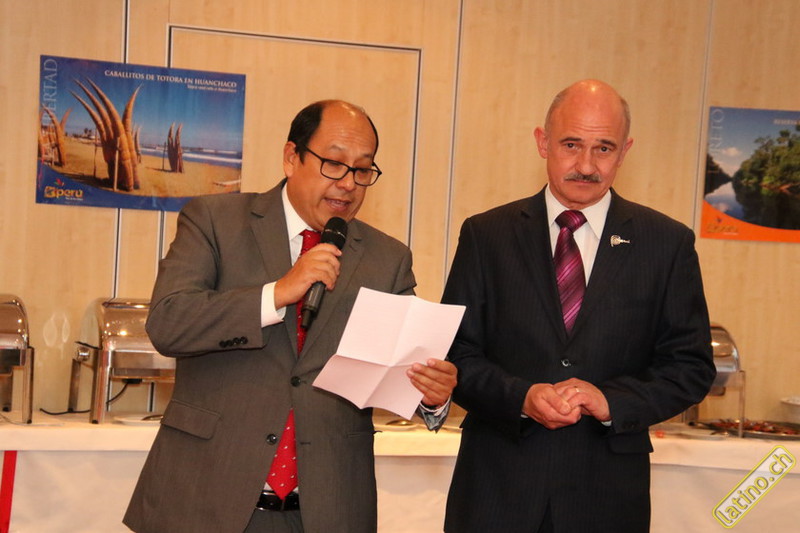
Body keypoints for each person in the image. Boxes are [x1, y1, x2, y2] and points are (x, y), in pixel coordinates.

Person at [124, 100, 457, 533]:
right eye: (334, 164)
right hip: (206, 498)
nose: (348, 183)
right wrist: (277, 293)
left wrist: (432, 396)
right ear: (291, 157)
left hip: (326, 510)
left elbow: (397, 370)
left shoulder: (387, 259)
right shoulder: (215, 221)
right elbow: (168, 323)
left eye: (362, 170)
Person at [441, 80, 715, 532]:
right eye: (571, 145)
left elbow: (690, 368)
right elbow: (456, 355)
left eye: (603, 148)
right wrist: (521, 397)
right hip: (496, 489)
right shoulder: (487, 235)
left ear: (625, 152)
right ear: (542, 142)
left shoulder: (666, 244)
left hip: (606, 497)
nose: (586, 165)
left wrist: (611, 401)